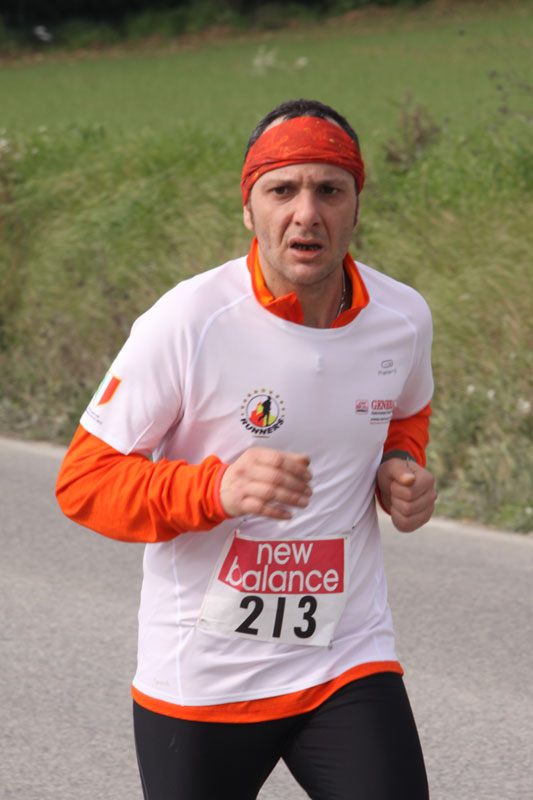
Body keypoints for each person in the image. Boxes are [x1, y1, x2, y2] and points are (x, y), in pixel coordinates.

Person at [56, 98, 437, 800]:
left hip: (344, 658)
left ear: (356, 205)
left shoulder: (402, 319)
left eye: (329, 190)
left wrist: (399, 466)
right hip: (204, 679)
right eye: (282, 190)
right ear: (248, 208)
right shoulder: (188, 321)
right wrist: (214, 491)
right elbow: (83, 483)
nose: (306, 213)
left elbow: (404, 413)